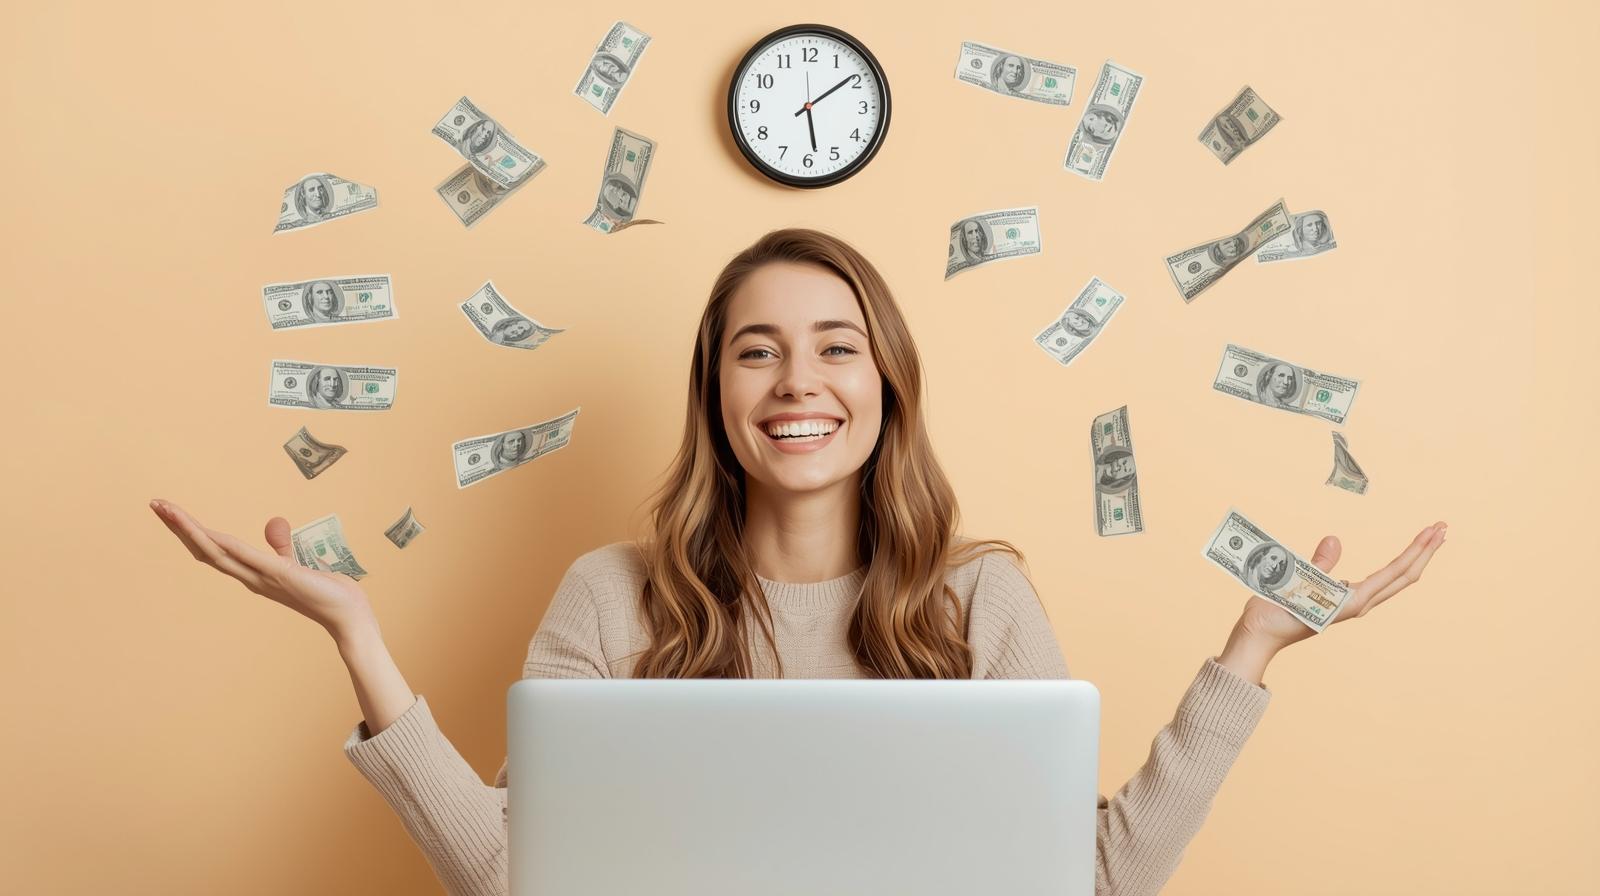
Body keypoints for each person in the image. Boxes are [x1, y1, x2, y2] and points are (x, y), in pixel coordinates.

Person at [148, 228, 1447, 896]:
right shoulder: (610, 597)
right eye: (756, 349)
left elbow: (1094, 884)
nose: (797, 382)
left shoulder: (977, 597)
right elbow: (512, 882)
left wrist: (1248, 654)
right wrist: (360, 642)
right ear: (716, 391)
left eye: (836, 345)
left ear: (887, 381)